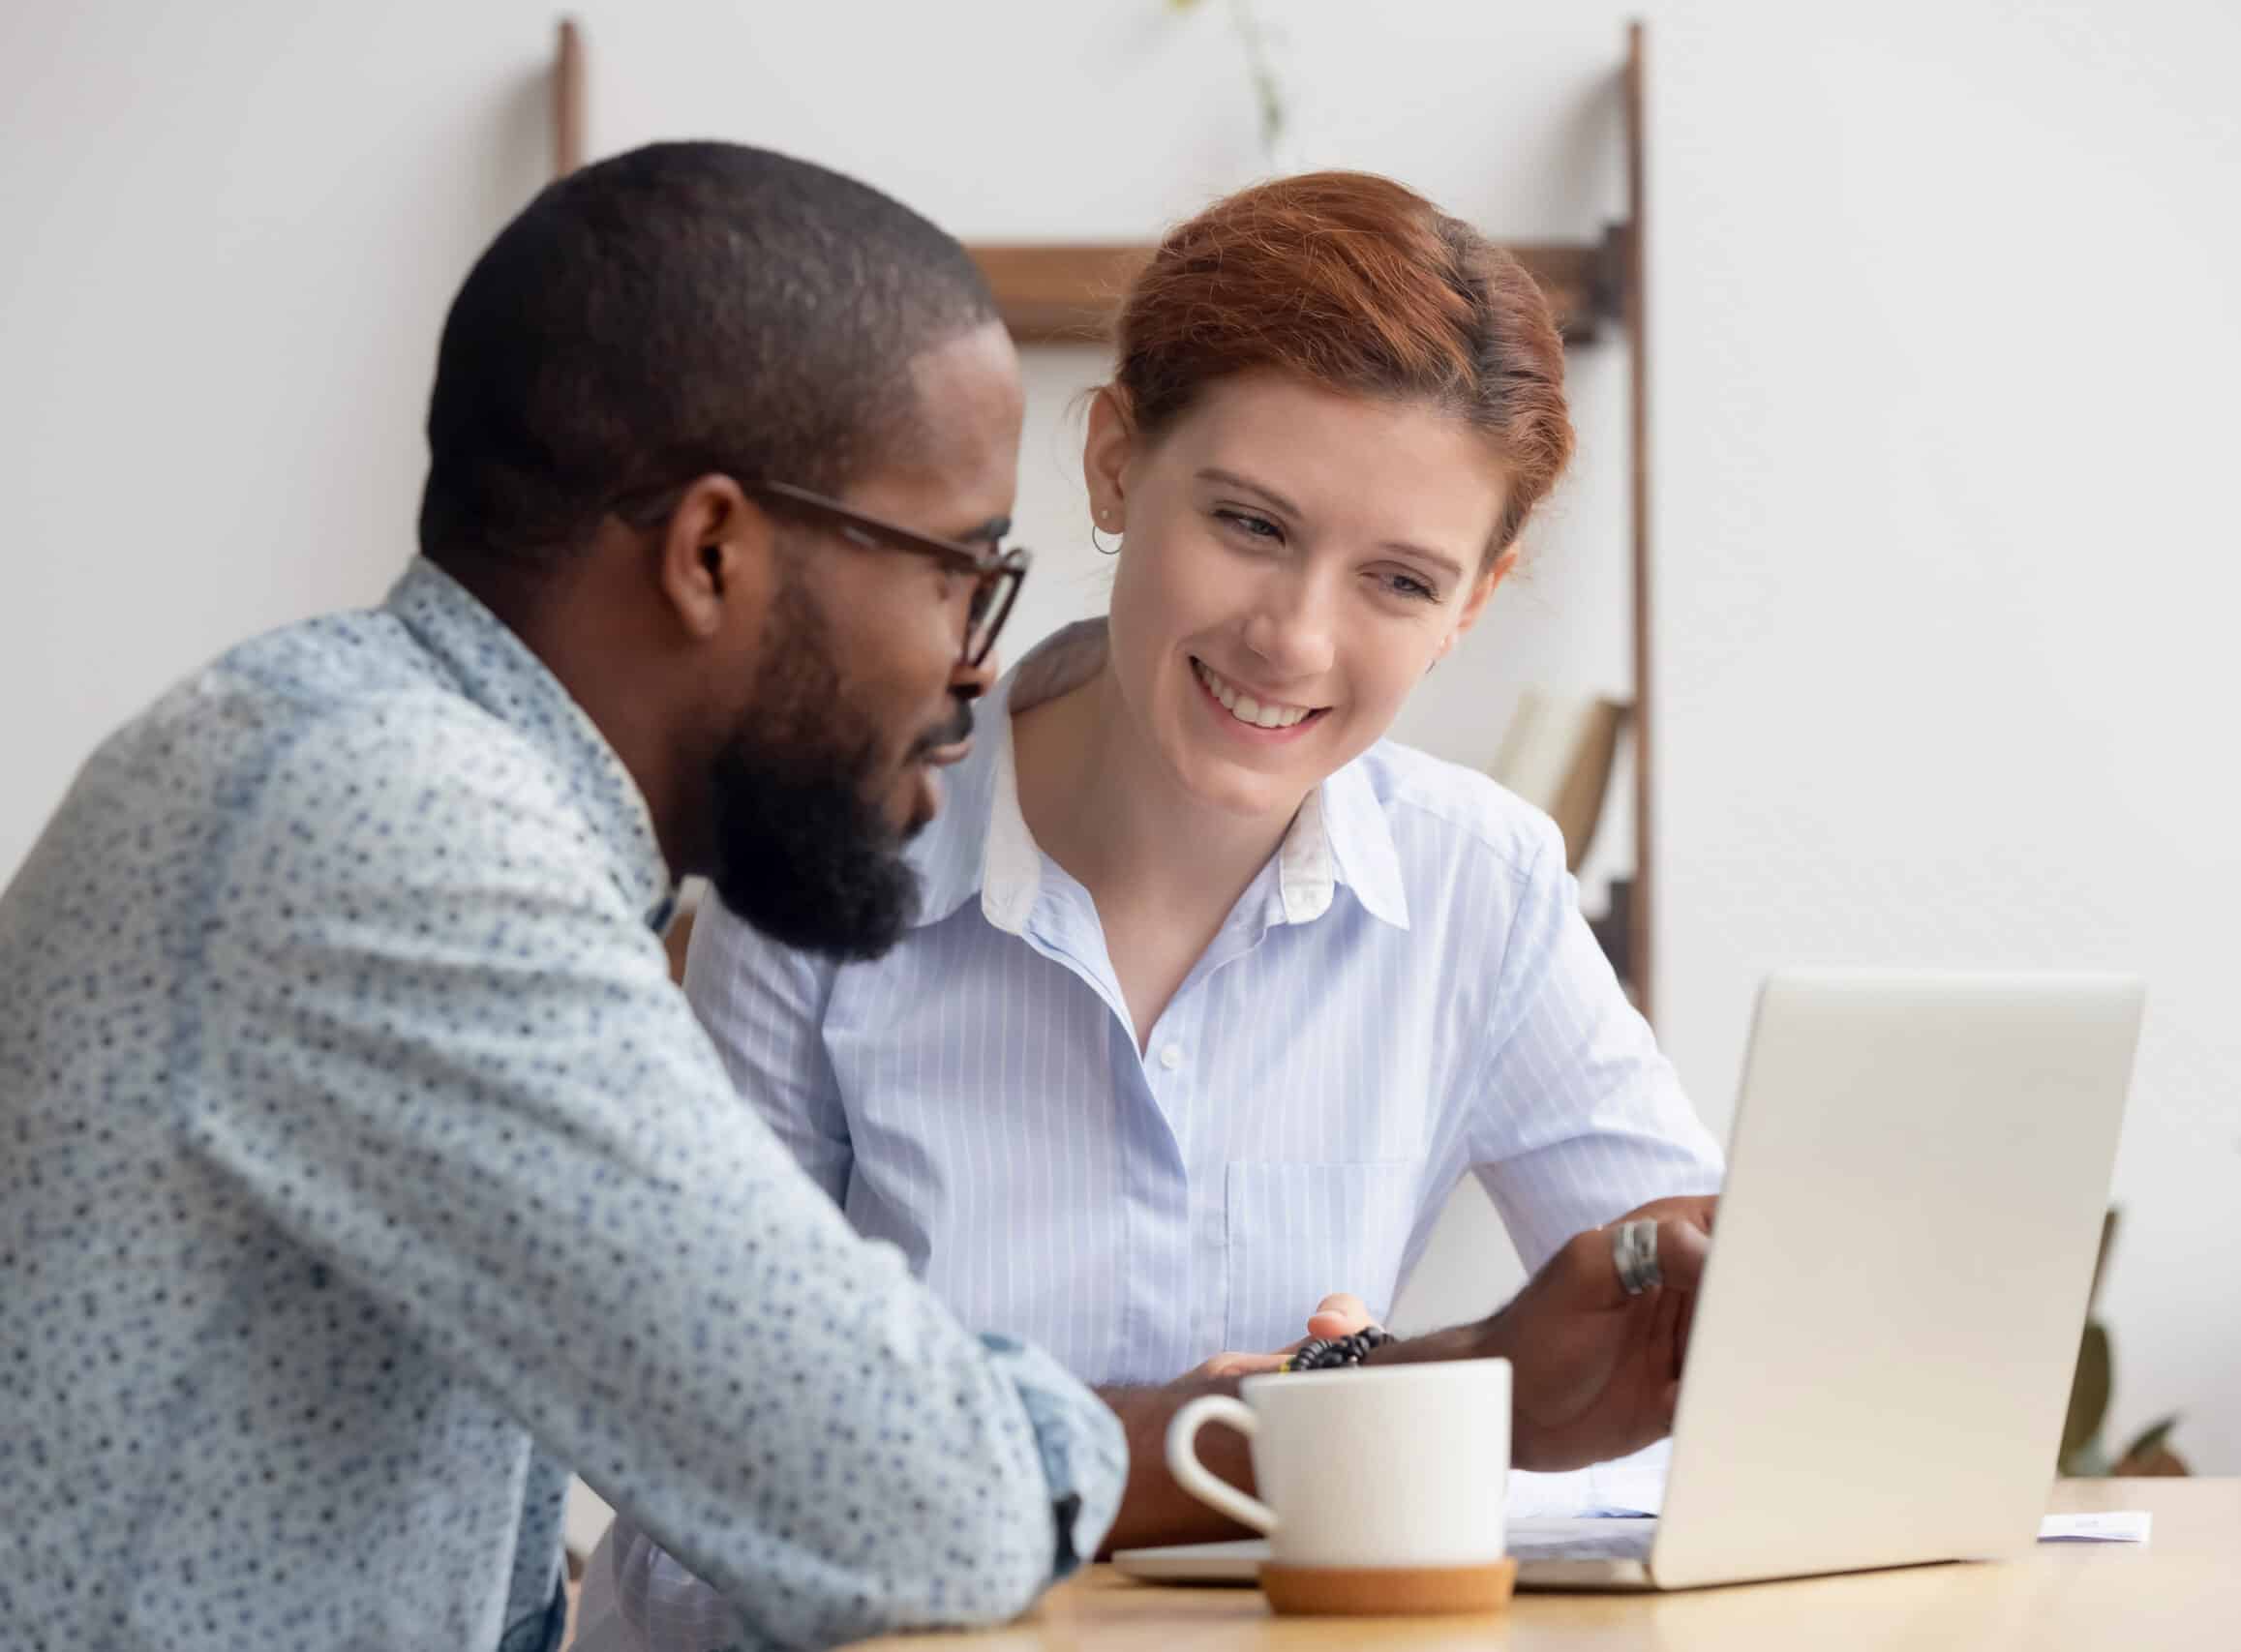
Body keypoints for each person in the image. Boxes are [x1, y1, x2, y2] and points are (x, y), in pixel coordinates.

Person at [0, 140, 1127, 1651]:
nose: (975, 664)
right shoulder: (391, 816)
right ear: (711, 551)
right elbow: (918, 1503)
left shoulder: (371, 769)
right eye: (958, 570)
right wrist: (1176, 1432)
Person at [586, 171, 1724, 1651]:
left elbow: (1707, 1340)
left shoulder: (1479, 883)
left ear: (1475, 603)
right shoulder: (822, 864)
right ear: (1118, 464)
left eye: (1398, 579)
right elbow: (710, 1455)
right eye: (1250, 523)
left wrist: (1671, 1335)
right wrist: (1333, 1423)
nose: (1295, 636)